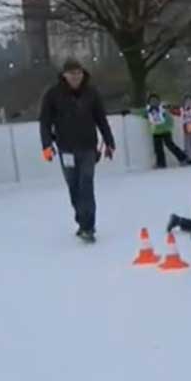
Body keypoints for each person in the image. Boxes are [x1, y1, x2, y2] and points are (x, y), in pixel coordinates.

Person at [39, 58, 116, 243]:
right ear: (64, 75)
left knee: (86, 185)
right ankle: (82, 221)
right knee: (74, 187)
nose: (76, 77)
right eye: (72, 73)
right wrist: (47, 146)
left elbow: (101, 119)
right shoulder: (53, 94)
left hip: (88, 147)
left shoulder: (91, 93)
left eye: (79, 73)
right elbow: (45, 122)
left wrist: (109, 142)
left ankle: (88, 226)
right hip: (66, 148)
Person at [143, 93, 189, 168]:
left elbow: (169, 118)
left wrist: (169, 126)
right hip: (156, 132)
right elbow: (141, 113)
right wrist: (130, 111)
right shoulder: (148, 110)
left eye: (155, 100)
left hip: (165, 131)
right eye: (151, 101)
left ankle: (183, 158)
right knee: (158, 149)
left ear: (158, 101)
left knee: (170, 145)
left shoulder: (163, 109)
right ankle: (161, 163)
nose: (153, 102)